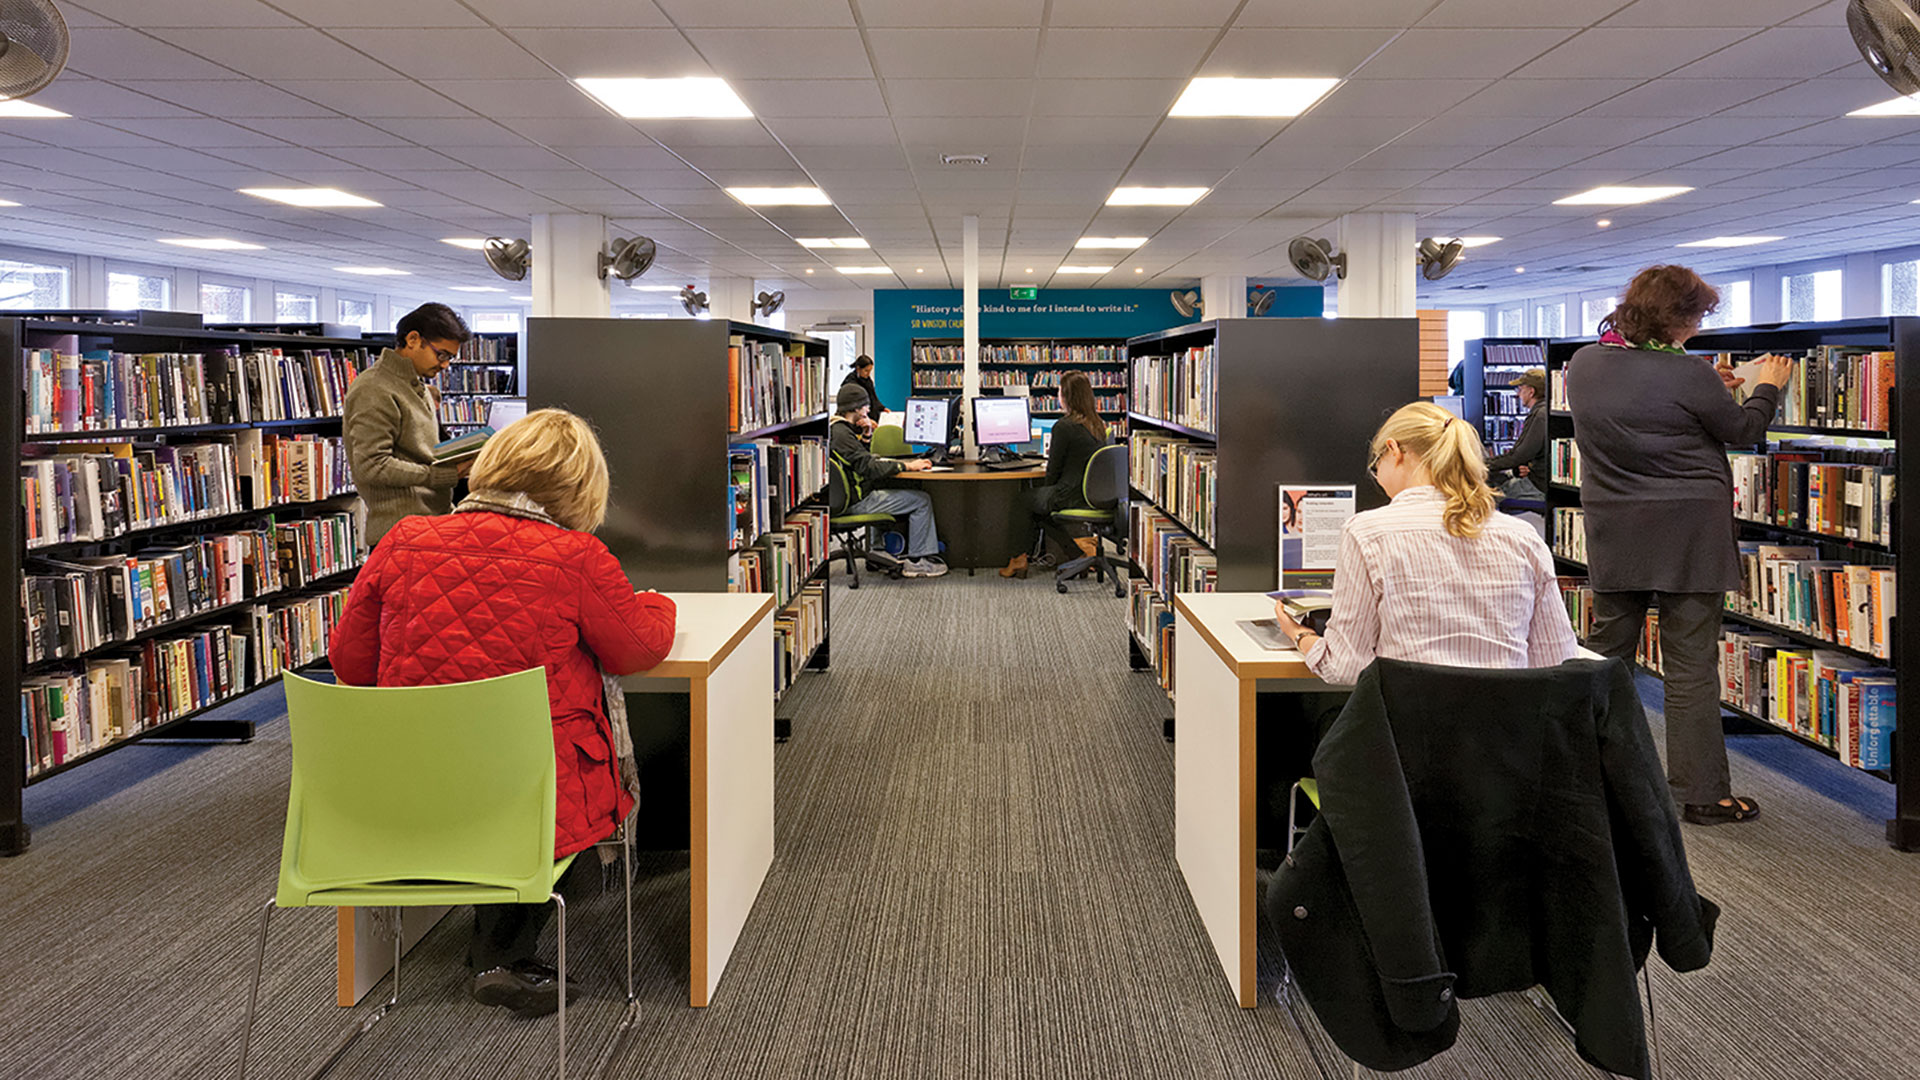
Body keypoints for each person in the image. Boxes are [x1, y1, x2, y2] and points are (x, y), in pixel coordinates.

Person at [330, 409, 677, 1016]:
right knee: (547, 784)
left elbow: (351, 664)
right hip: (531, 796)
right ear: (580, 488)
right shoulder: (575, 556)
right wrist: (658, 603)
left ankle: (491, 941)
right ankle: (502, 953)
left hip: (406, 786)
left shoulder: (405, 538)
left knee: (498, 780)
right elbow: (637, 648)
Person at [1567, 265, 1794, 827]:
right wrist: (1768, 388)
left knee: (1605, 654)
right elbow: (1740, 431)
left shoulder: (1585, 362)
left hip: (1616, 528)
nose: (1698, 327)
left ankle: (1576, 773)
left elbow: (1645, 398)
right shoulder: (1689, 374)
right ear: (1676, 317)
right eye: (1695, 317)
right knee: (1691, 667)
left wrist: (1702, 381)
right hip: (1689, 531)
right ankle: (1704, 794)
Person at [1271, 401, 1580, 688]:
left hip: (1406, 740)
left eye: (1376, 465)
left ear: (1394, 451)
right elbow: (1557, 661)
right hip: (1507, 740)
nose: (1377, 476)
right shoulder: (1524, 537)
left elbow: (1346, 667)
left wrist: (1300, 635)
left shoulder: (1367, 533)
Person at [344, 301, 471, 547]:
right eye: (441, 354)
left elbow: (420, 453)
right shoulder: (374, 388)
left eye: (450, 358)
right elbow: (372, 466)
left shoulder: (418, 386)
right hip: (402, 536)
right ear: (413, 339)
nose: (445, 365)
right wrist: (443, 475)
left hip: (430, 526)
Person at [829, 383, 947, 578]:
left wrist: (867, 436)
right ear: (856, 409)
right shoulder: (843, 436)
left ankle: (877, 549)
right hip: (856, 503)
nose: (868, 410)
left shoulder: (837, 429)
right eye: (865, 407)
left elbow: (858, 461)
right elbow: (869, 467)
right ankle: (917, 562)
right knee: (921, 500)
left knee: (884, 484)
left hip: (846, 497)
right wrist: (907, 466)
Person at [1001, 370, 1104, 578]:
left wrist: (1045, 492)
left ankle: (1018, 559)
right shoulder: (1098, 425)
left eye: (1059, 392)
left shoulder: (1064, 426)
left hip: (1070, 494)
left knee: (1023, 501)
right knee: (1040, 509)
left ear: (1067, 396)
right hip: (1092, 495)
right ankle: (1080, 553)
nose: (1058, 396)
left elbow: (1053, 471)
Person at [1484, 368, 1548, 499]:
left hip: (1537, 485)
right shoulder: (1546, 411)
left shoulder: (1539, 415)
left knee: (1488, 496)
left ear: (1531, 391)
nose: (1518, 394)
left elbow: (1518, 456)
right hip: (1539, 478)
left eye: (1520, 389)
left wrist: (1481, 465)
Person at [839, 354, 885, 436]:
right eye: (866, 371)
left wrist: (883, 408)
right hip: (858, 421)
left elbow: (873, 398)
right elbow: (854, 409)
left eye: (870, 371)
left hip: (870, 417)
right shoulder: (850, 384)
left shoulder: (867, 380)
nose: (868, 374)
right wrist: (866, 420)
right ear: (858, 369)